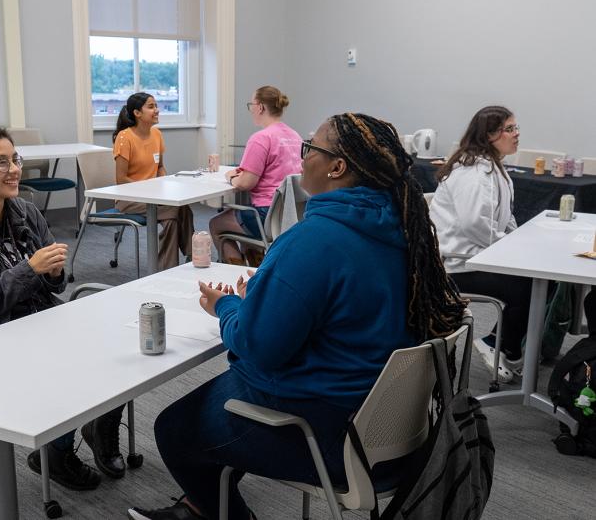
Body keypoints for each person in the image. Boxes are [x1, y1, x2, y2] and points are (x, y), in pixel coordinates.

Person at [128, 113, 467, 520]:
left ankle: (230, 515)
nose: (302, 159)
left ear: (337, 167)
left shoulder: (313, 241)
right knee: (216, 406)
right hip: (391, 428)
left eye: (311, 149)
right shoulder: (405, 229)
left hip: (325, 432)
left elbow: (260, 349)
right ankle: (200, 505)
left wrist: (227, 307)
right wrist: (273, 299)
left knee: (174, 428)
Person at [0, 125, 123, 490]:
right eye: (1, 162)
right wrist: (30, 269)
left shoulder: (24, 211)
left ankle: (101, 426)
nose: (14, 169)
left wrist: (52, 273)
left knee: (120, 340)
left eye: (15, 159)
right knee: (70, 360)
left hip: (41, 320)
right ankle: (55, 453)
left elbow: (55, 284)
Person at [429, 106, 528, 382]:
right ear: (489, 135)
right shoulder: (473, 171)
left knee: (545, 280)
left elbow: (503, 219)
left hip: (472, 257)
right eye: (509, 129)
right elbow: (476, 226)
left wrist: (517, 244)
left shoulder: (493, 167)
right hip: (454, 268)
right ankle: (499, 343)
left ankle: (507, 343)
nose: (516, 134)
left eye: (516, 128)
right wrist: (508, 250)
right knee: (528, 285)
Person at [208, 86, 302, 265]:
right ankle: (257, 272)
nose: (251, 109)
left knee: (216, 225)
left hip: (266, 215)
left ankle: (237, 274)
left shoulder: (261, 138)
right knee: (242, 227)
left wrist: (230, 176)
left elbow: (246, 183)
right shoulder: (295, 136)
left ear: (260, 107)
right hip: (290, 214)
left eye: (251, 104)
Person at [113, 92, 194, 271]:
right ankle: (185, 259)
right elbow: (121, 179)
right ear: (137, 113)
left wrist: (166, 185)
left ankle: (176, 263)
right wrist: (148, 191)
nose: (156, 110)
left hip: (154, 196)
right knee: (174, 209)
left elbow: (160, 168)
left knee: (179, 210)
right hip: (129, 198)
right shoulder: (124, 138)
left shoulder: (156, 134)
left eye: (156, 106)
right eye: (151, 106)